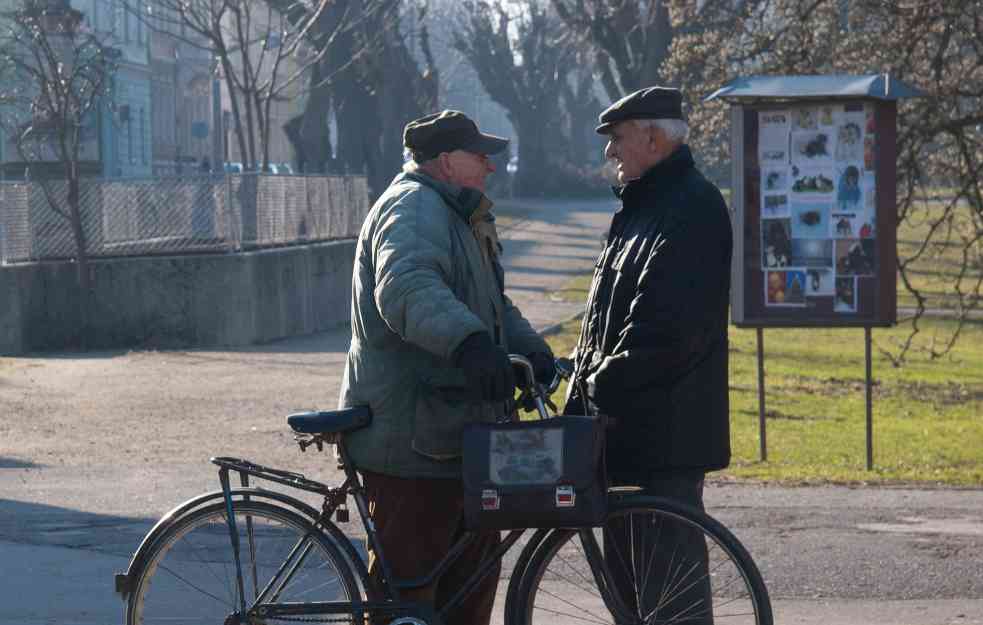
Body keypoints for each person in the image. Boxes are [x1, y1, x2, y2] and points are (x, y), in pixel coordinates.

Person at [338, 110, 554, 625]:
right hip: (413, 444)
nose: (490, 166)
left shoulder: (457, 214)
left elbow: (491, 308)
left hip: (456, 437)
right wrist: (471, 346)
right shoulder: (414, 209)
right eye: (479, 155)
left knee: (468, 591)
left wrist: (533, 351)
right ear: (444, 161)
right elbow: (408, 290)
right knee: (408, 598)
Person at [564, 86, 733, 624]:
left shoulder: (691, 208)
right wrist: (578, 374)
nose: (609, 153)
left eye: (617, 139)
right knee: (634, 600)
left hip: (664, 437)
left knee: (669, 602)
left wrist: (597, 382)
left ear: (654, 138)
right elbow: (607, 321)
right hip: (627, 434)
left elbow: (668, 329)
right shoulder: (641, 208)